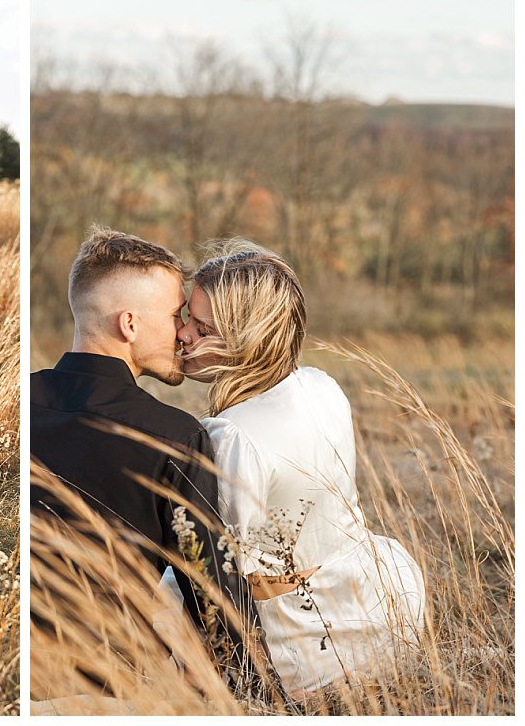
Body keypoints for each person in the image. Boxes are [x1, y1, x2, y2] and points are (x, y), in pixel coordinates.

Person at [30, 226, 278, 696]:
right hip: (100, 683)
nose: (183, 332)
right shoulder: (174, 436)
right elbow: (214, 597)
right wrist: (268, 701)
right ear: (130, 325)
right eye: (173, 314)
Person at [176, 239, 425, 695]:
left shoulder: (232, 436)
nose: (183, 335)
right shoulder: (320, 385)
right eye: (186, 317)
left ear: (244, 337)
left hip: (305, 639)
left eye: (201, 326)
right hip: (377, 605)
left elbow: (227, 568)